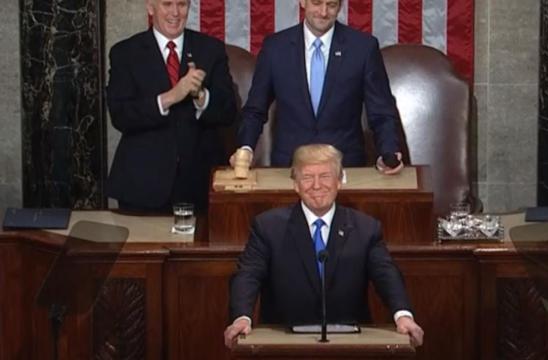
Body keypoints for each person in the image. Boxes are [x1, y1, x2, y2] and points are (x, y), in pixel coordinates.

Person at [224, 144, 423, 348]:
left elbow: (386, 274)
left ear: (339, 182)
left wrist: (403, 315)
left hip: (350, 344)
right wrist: (242, 318)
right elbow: (248, 274)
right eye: (308, 177)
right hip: (284, 343)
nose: (316, 185)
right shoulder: (268, 227)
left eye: (325, 176)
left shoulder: (365, 228)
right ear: (295, 184)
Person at [231, 0, 404, 175]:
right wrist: (246, 149)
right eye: (317, 3)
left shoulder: (363, 48)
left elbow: (381, 112)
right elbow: (255, 109)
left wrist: (388, 153)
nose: (323, 12)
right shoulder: (275, 48)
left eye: (331, 5)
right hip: (289, 168)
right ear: (303, 2)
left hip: (345, 168)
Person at [106, 0, 237, 212]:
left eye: (182, 5)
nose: (175, 13)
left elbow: (228, 111)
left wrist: (200, 96)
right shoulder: (125, 53)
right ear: (150, 7)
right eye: (167, 4)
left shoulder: (210, 49)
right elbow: (120, 115)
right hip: (143, 185)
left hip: (199, 184)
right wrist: (171, 97)